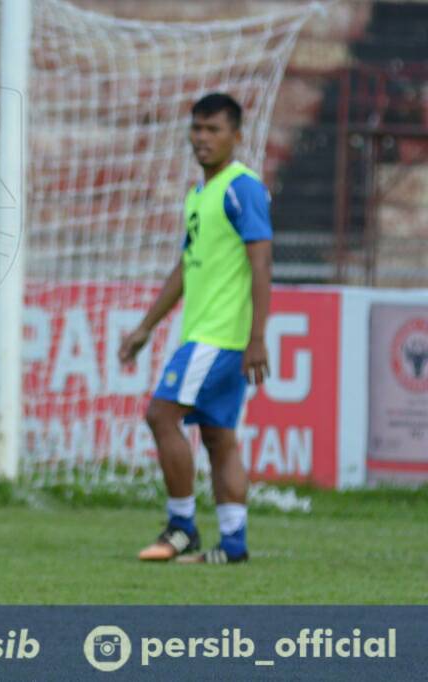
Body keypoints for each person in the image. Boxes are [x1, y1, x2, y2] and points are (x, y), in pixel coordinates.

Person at [119, 92, 272, 565]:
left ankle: (182, 527)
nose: (203, 139)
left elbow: (261, 260)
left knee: (161, 416)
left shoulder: (240, 187)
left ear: (237, 135)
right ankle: (233, 544)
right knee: (216, 434)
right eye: (198, 129)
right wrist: (147, 326)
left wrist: (257, 337)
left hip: (219, 337)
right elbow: (186, 267)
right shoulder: (201, 193)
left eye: (214, 130)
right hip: (209, 334)